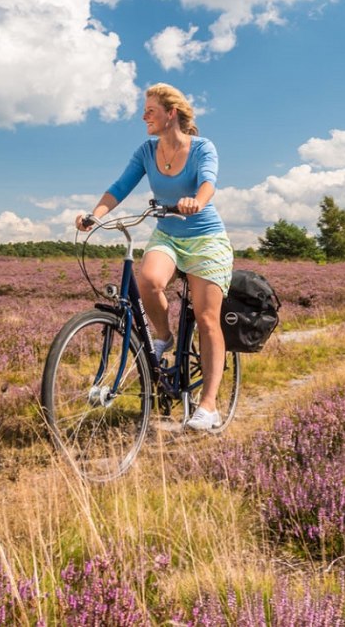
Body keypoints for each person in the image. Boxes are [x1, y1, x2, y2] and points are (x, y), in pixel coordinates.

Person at [77, 83, 233, 431]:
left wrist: (198, 201)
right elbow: (120, 187)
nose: (144, 116)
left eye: (150, 110)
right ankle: (163, 335)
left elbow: (208, 182)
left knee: (208, 319)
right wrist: (96, 214)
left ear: (170, 113)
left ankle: (208, 406)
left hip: (205, 237)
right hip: (167, 234)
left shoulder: (202, 148)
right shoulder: (146, 151)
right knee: (147, 279)